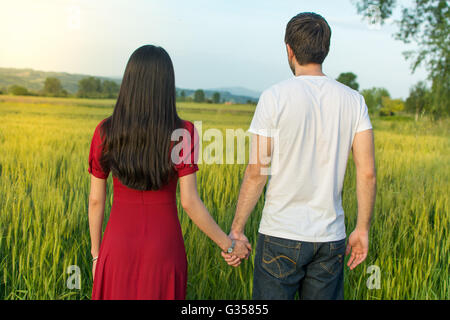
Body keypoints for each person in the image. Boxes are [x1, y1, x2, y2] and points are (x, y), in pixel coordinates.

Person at [222, 12, 377, 300]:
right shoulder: (354, 101)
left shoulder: (274, 97)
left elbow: (257, 171)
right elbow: (367, 172)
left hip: (280, 233)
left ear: (289, 49)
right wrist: (362, 229)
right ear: (325, 49)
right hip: (330, 238)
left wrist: (237, 229)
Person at [87, 45, 251, 300]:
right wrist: (229, 245)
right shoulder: (181, 133)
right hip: (163, 248)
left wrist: (97, 256)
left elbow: (96, 200)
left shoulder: (105, 131)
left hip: (116, 246)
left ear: (129, 81)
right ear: (167, 85)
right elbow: (189, 202)